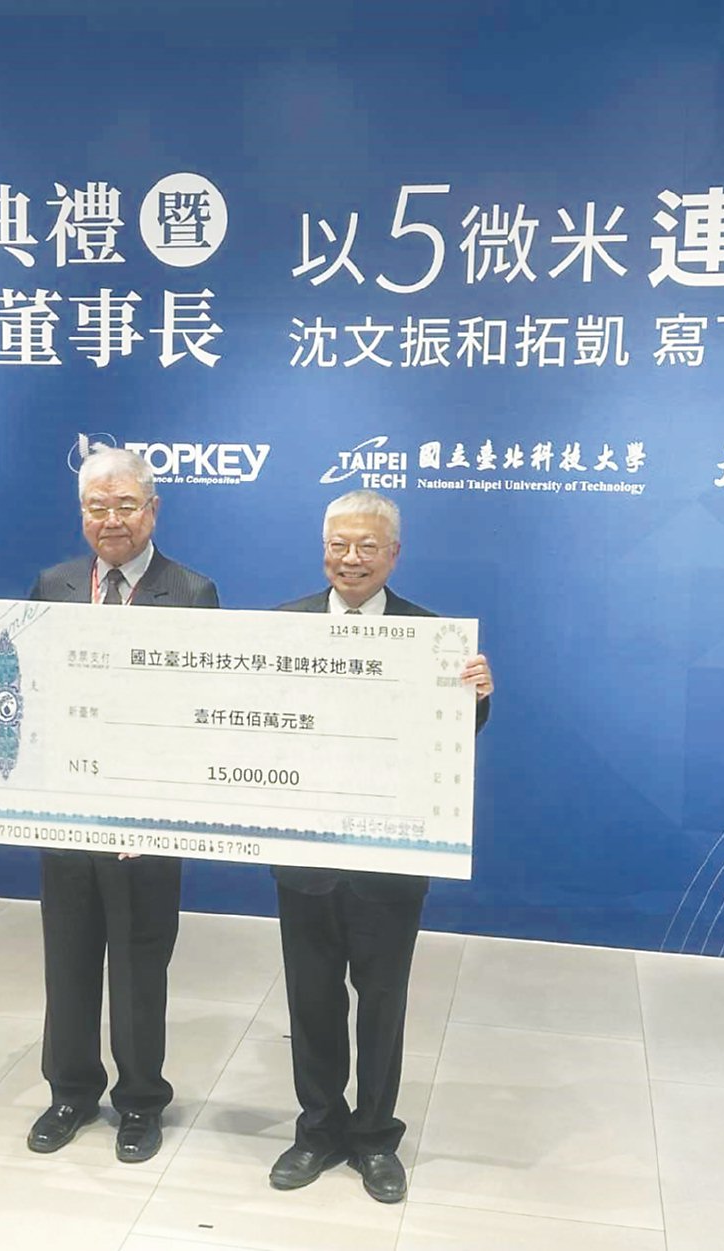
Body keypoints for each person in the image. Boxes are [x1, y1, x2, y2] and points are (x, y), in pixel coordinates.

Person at [0, 445, 218, 1164]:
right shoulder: (56, 583)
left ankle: (140, 1101)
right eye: (97, 507)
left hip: (147, 818)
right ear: (82, 514)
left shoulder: (192, 591)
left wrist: (166, 810)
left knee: (140, 964)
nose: (112, 520)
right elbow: (20, 692)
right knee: (69, 958)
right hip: (66, 808)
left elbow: (206, 708)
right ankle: (70, 1091)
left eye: (125, 505)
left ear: (153, 510)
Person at [268, 489, 493, 1203]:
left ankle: (373, 1137)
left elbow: (449, 739)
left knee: (382, 1004)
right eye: (339, 544)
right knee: (310, 1000)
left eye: (367, 546)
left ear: (393, 553)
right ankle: (317, 1130)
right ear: (323, 549)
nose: (351, 559)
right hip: (305, 855)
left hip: (391, 862)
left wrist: (476, 697)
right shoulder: (282, 628)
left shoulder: (434, 637)